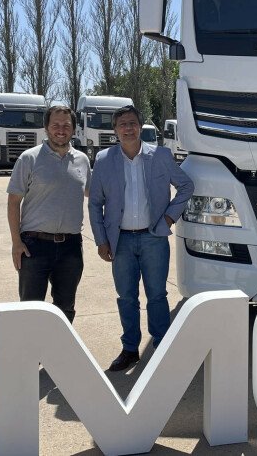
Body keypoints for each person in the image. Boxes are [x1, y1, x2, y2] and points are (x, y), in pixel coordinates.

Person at [88, 105, 194, 371]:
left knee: (157, 295)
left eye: (132, 123)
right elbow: (95, 203)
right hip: (120, 241)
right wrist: (101, 239)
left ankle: (162, 347)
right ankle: (130, 349)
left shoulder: (160, 156)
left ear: (140, 126)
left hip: (153, 238)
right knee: (126, 297)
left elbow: (185, 186)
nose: (128, 128)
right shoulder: (103, 160)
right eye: (122, 124)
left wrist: (169, 218)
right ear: (115, 130)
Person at [7, 105, 91, 323]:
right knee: (31, 310)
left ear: (74, 129)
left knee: (66, 309)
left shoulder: (82, 160)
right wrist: (16, 243)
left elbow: (94, 194)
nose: (61, 130)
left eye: (66, 125)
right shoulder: (29, 158)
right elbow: (13, 202)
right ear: (46, 127)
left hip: (71, 248)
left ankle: (60, 347)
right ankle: (31, 347)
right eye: (55, 125)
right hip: (34, 248)